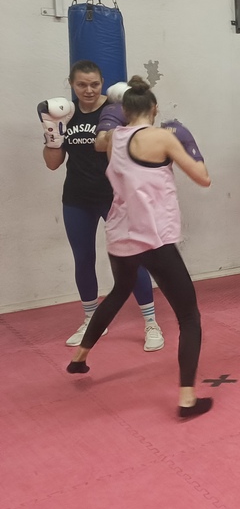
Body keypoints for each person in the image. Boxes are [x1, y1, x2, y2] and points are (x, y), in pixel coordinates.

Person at [66, 77, 213, 419]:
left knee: (121, 290)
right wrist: (188, 142)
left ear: (123, 112)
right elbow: (203, 178)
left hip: (121, 236)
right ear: (155, 108)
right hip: (155, 238)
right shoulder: (162, 137)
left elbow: (102, 141)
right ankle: (187, 399)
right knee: (189, 317)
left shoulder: (112, 139)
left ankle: (80, 357)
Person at [40, 61, 162, 352]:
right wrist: (52, 136)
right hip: (76, 198)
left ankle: (151, 323)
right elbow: (53, 164)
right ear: (71, 84)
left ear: (102, 82)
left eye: (94, 84)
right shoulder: (65, 114)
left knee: (131, 259)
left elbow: (142, 140)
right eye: (82, 84)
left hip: (114, 197)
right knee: (83, 259)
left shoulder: (117, 109)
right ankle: (92, 320)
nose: (89, 90)